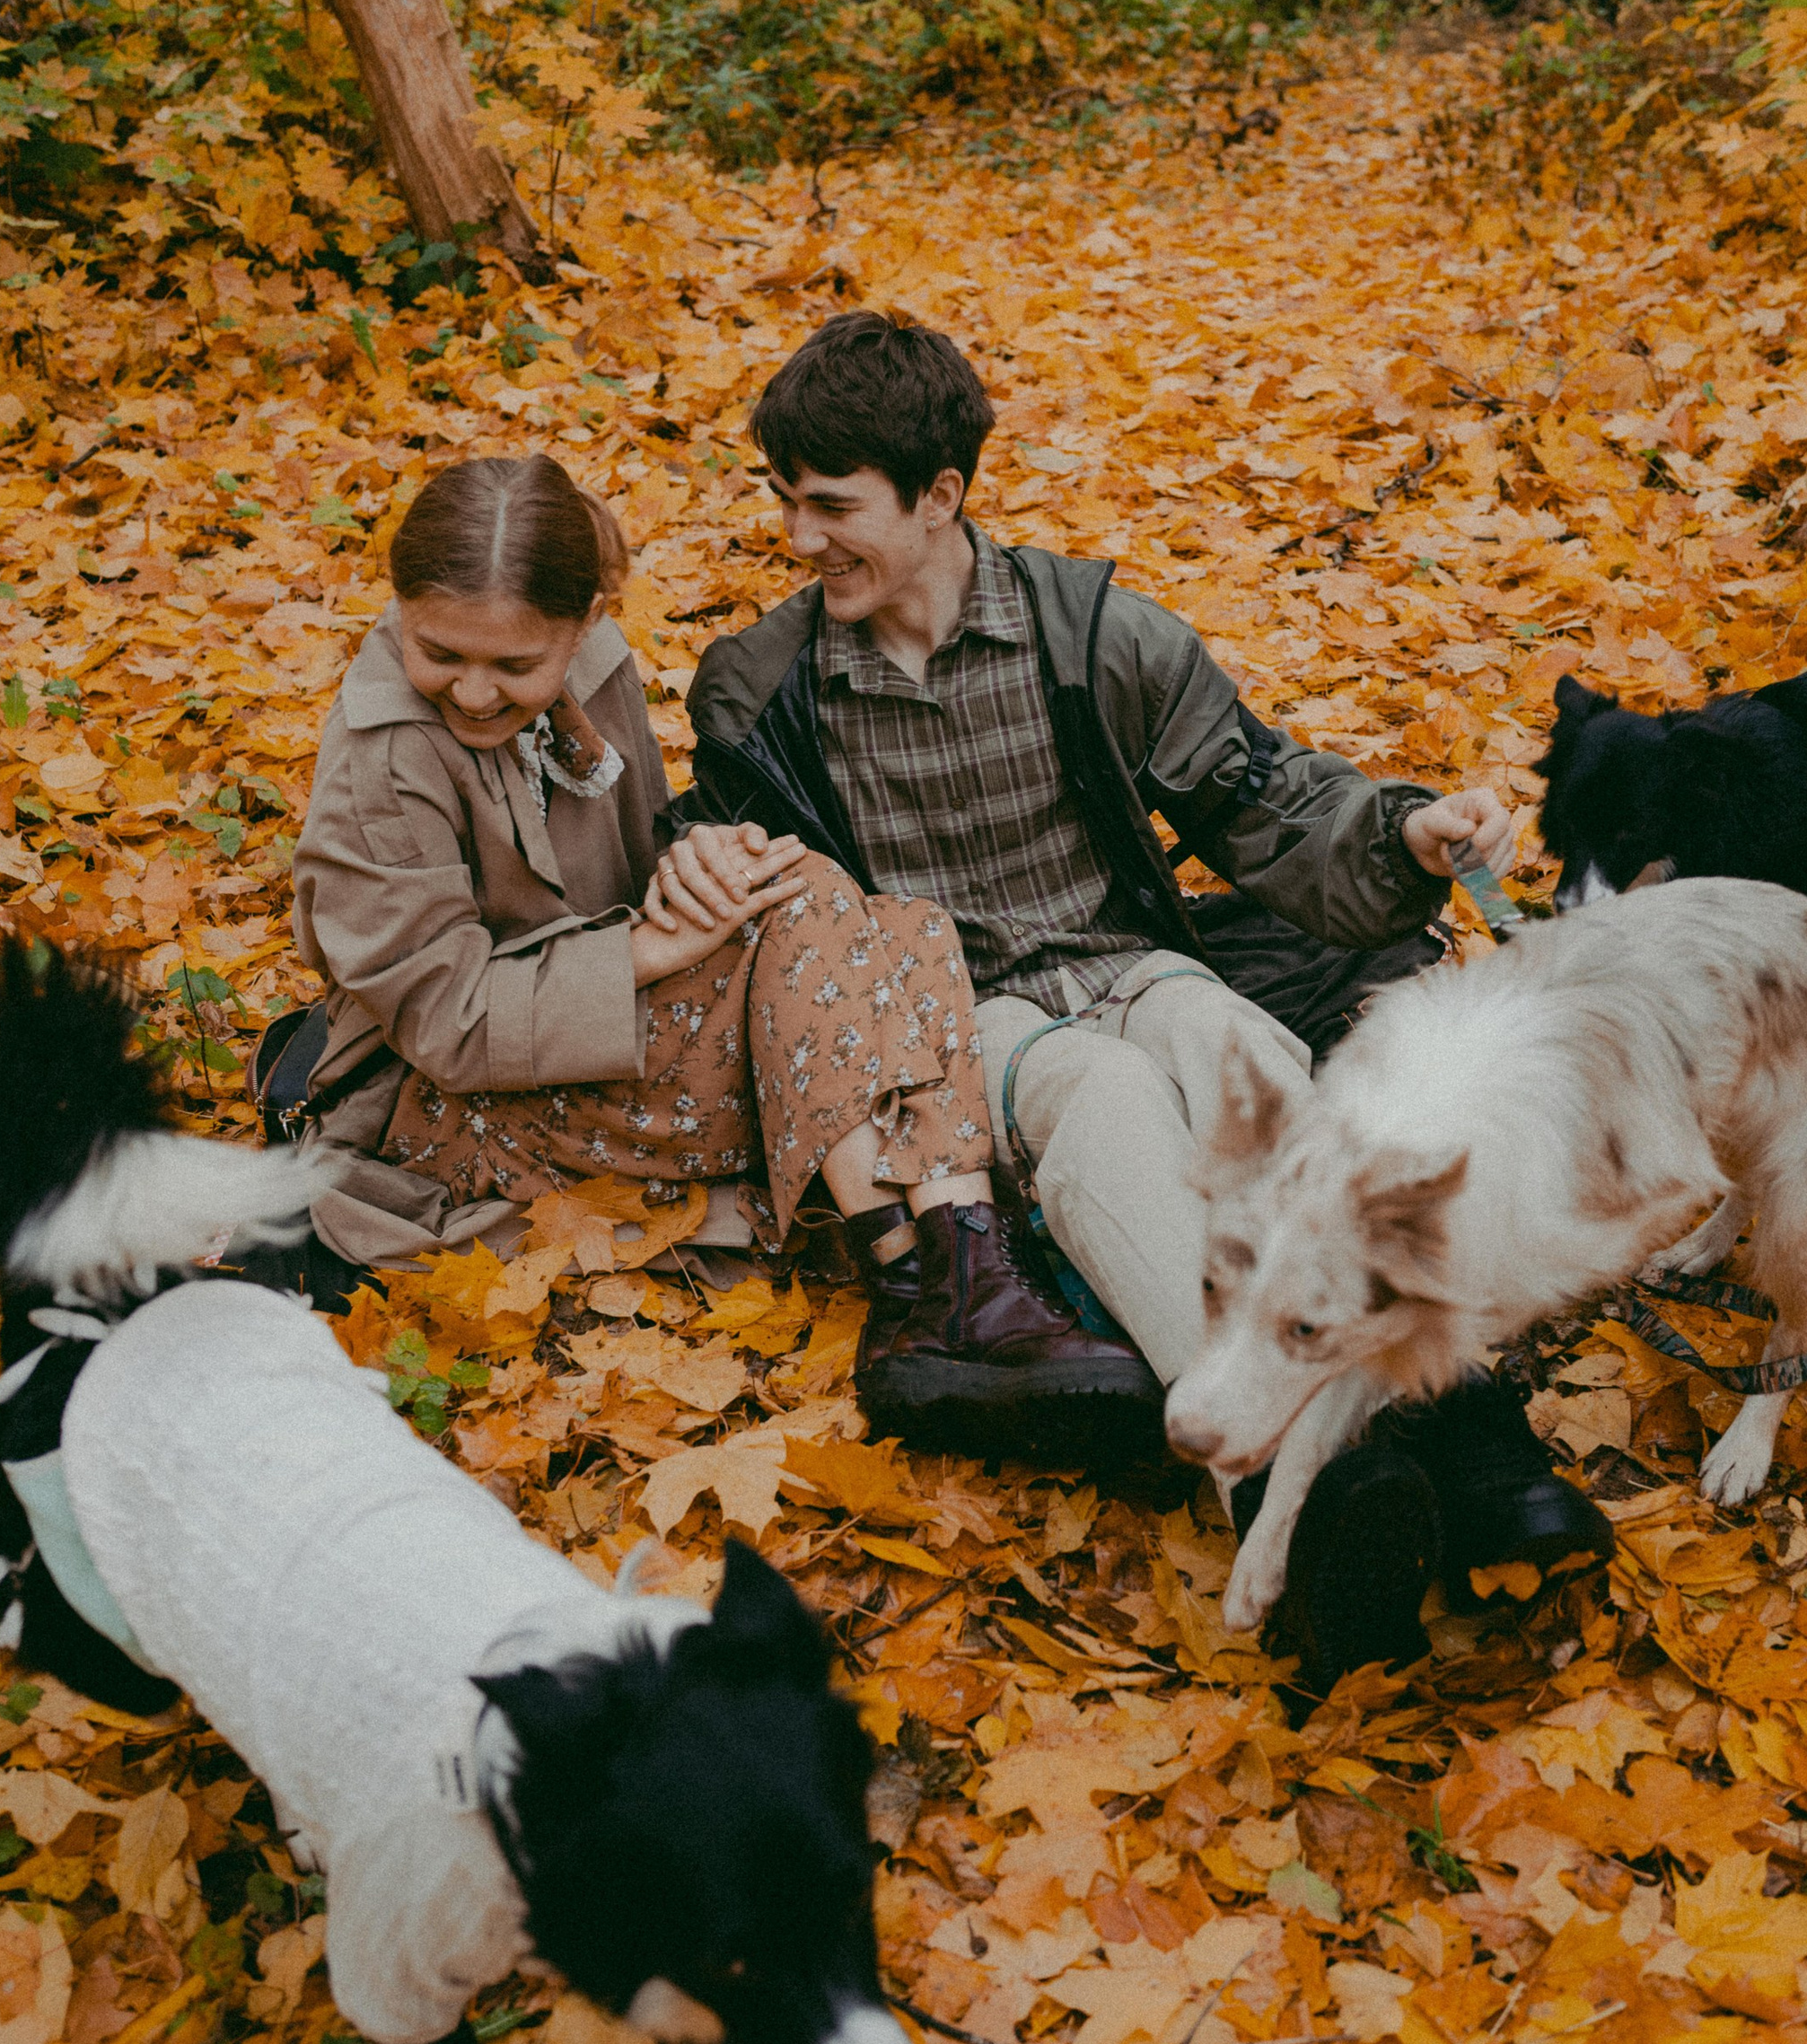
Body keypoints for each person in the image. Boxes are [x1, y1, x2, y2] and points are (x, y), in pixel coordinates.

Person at [664, 313, 1610, 1650]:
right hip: (959, 1022)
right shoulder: (762, 692)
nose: (798, 537)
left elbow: (1264, 796)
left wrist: (1400, 832)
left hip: (1127, 957)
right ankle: (1300, 1491)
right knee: (1105, 1103)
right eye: (785, 500)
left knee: (1241, 1056)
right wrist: (688, 864)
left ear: (941, 498)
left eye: (832, 506)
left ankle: (1467, 1430)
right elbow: (744, 896)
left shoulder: (1091, 633)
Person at [283, 452, 1155, 1438]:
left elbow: (633, 856)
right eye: (441, 652)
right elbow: (446, 1020)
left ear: (581, 627)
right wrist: (643, 956)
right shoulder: (385, 761)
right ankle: (939, 1278)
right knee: (837, 912)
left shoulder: (594, 670)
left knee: (846, 905)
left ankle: (937, 1277)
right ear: (399, 609)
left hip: (595, 1043)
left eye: (515, 666)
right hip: (449, 1108)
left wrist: (703, 862)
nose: (475, 692)